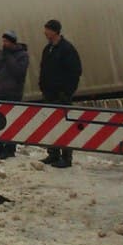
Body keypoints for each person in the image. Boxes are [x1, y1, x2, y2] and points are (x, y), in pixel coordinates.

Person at [38, 19, 82, 168]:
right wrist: (42, 86)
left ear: (55, 31)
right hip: (49, 94)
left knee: (64, 126)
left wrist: (67, 92)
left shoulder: (66, 49)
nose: (45, 32)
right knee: (51, 125)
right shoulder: (48, 49)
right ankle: (53, 153)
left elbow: (75, 71)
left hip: (61, 95)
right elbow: (44, 69)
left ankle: (66, 157)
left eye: (47, 30)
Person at [0, 30, 29, 159]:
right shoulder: (1, 54)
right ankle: (0, 147)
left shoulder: (22, 55)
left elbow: (18, 72)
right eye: (3, 41)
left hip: (13, 93)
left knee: (11, 122)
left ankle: (10, 149)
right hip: (0, 92)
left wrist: (8, 57)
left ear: (12, 42)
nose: (4, 44)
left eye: (6, 41)